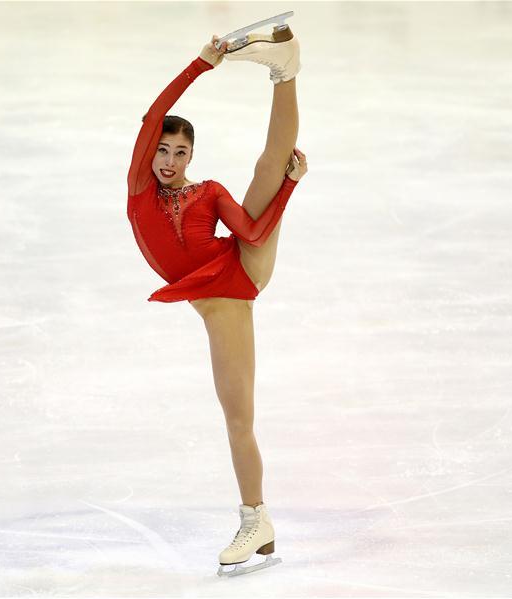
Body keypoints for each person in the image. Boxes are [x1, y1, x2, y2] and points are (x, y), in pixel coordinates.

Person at [126, 21, 306, 577]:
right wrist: (201, 64)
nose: (169, 160)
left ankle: (285, 70)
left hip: (236, 280)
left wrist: (289, 188)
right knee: (237, 415)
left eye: (181, 152)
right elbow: (154, 112)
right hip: (212, 296)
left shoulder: (209, 193)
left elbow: (250, 235)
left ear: (191, 155)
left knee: (268, 168)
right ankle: (285, 62)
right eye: (163, 149)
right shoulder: (138, 188)